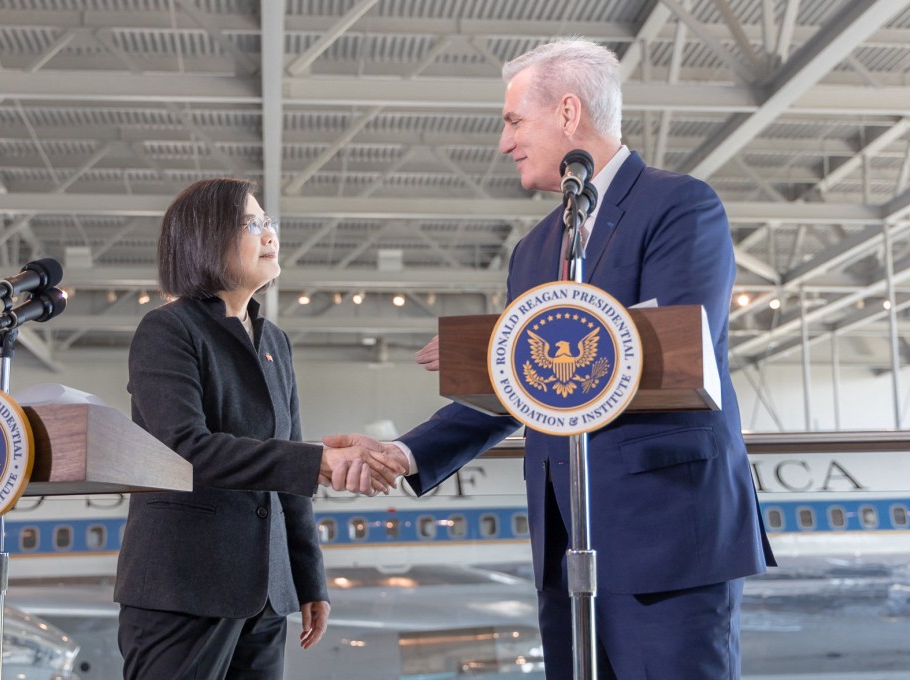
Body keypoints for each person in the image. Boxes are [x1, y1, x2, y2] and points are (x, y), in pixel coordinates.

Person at [326, 38, 776, 679]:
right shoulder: (533, 249)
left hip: (668, 533)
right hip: (567, 540)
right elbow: (529, 385)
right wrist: (405, 452)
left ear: (568, 113)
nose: (504, 143)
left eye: (514, 121)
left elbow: (675, 342)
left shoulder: (680, 205)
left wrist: (509, 344)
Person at [114, 177, 405, 679]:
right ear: (207, 238)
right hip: (183, 587)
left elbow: (287, 471)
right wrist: (318, 460)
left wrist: (309, 580)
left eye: (268, 222)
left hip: (266, 593)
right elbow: (185, 449)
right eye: (252, 224)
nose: (270, 234)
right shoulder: (167, 329)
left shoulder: (274, 341)